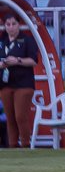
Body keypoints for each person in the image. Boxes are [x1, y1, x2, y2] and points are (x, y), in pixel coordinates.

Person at [0, 15, 37, 148]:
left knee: (20, 116)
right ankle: (13, 146)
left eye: (13, 24)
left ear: (19, 25)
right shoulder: (2, 41)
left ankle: (26, 145)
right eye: (8, 24)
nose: (10, 27)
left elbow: (33, 61)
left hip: (23, 84)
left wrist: (17, 60)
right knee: (10, 118)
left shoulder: (27, 40)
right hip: (5, 84)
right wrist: (3, 64)